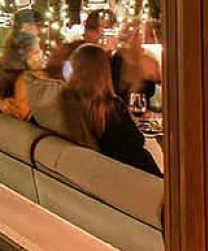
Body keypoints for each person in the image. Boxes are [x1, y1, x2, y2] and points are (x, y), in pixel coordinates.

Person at [64, 41, 161, 177]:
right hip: (139, 174)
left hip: (116, 172)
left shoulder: (73, 103)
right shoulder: (111, 108)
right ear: (104, 71)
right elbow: (138, 140)